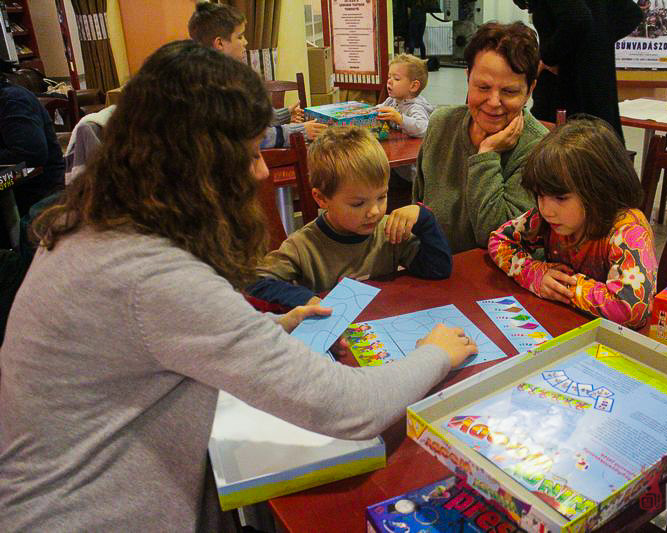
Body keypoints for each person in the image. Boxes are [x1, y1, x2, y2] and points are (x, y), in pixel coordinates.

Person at [0, 41, 477, 531]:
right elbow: (350, 409)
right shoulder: (152, 276)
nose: (262, 170)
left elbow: (164, 340)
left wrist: (273, 324)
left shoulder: (96, 225)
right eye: (249, 153)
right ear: (196, 165)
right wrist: (436, 353)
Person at [248, 126, 451, 308]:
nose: (374, 211)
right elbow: (254, 282)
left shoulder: (388, 231)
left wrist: (424, 220)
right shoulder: (303, 246)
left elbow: (438, 269)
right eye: (358, 204)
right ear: (321, 199)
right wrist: (305, 299)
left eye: (382, 197)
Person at [488, 117, 657, 329]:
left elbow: (630, 309)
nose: (546, 210)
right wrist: (534, 273)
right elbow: (499, 240)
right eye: (540, 195)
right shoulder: (548, 220)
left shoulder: (628, 231)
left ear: (599, 189)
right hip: (564, 326)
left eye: (561, 198)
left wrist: (564, 286)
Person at [413, 21, 549, 254]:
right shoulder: (441, 123)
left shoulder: (540, 150)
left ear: (530, 90)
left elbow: (500, 241)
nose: (494, 102)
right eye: (483, 87)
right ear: (468, 78)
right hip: (436, 267)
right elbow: (418, 209)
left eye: (509, 91)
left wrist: (487, 154)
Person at [188, 1, 326, 145]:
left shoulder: (218, 75)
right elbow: (249, 136)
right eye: (240, 37)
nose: (245, 42)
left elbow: (247, 118)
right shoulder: (214, 85)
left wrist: (282, 115)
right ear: (219, 43)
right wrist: (298, 131)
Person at [513, 0, 642, 140]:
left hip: (567, 85)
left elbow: (577, 18)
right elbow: (632, 14)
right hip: (595, 79)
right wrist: (597, 46)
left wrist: (547, 57)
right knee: (601, 143)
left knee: (562, 145)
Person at [0, 64, 65, 219]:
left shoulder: (12, 100)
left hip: (40, 190)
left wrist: (2, 182)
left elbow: (31, 158)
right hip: (14, 183)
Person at [377, 53, 434, 210]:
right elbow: (380, 108)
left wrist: (400, 119)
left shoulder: (416, 107)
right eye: (389, 77)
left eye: (396, 78)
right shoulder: (392, 101)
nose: (389, 81)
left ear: (413, 86)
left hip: (411, 172)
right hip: (396, 163)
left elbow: (424, 127)